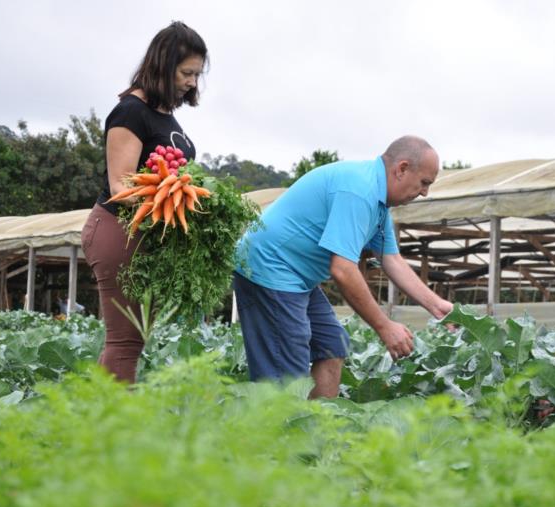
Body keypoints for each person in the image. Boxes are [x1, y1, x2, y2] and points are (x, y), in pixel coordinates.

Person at [233, 135, 454, 398]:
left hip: (295, 275)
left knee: (331, 344)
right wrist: (385, 327)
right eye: (424, 183)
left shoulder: (379, 204)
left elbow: (391, 260)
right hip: (269, 267)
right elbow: (343, 270)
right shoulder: (359, 191)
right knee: (285, 374)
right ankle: (283, 432)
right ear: (402, 168)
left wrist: (436, 305)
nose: (425, 192)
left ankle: (319, 428)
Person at [81, 21, 207, 382]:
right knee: (125, 340)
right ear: (164, 66)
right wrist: (170, 208)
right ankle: (114, 428)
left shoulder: (165, 115)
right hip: (118, 231)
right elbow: (121, 184)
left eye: (197, 74)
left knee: (133, 339)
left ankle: (108, 420)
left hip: (144, 234)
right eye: (187, 73)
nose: (193, 83)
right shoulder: (130, 112)